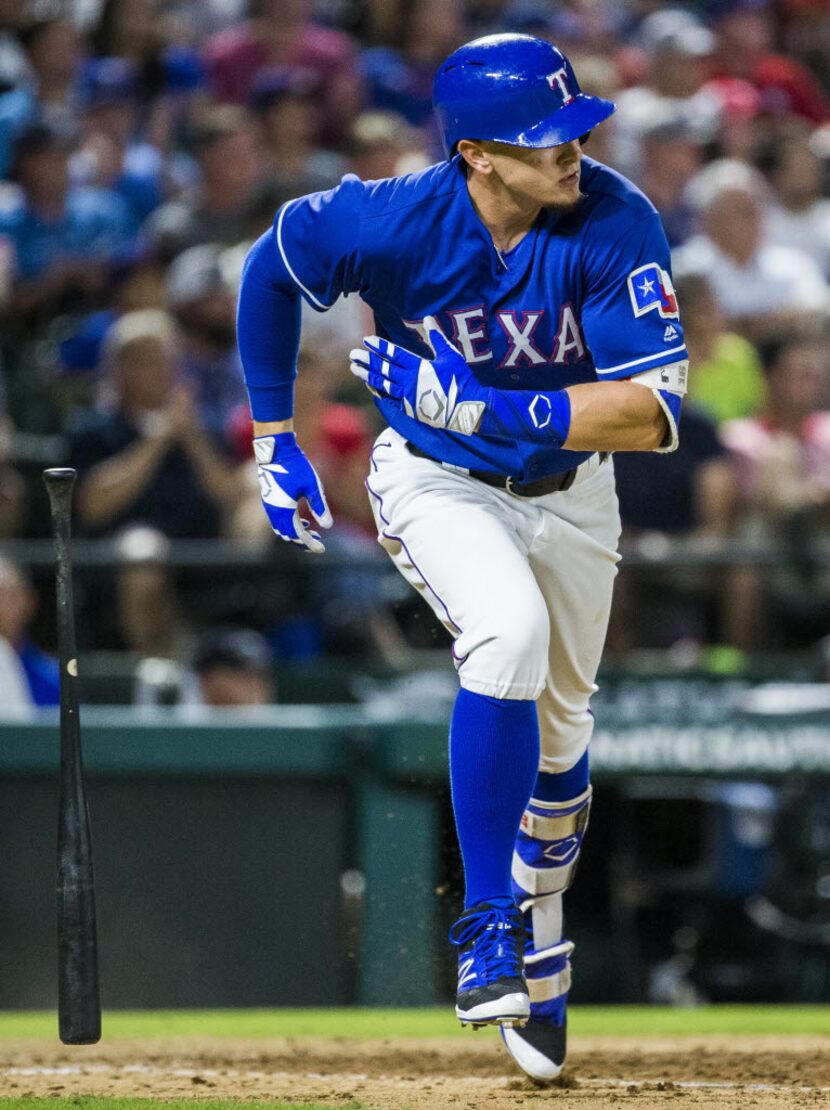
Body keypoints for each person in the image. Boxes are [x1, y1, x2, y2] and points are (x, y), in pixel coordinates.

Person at [236, 34, 687, 1082]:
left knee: (564, 751)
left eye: (575, 130)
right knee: (506, 636)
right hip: (436, 480)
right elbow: (273, 264)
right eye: (545, 140)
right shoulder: (393, 217)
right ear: (478, 152)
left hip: (572, 494)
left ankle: (536, 914)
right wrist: (272, 437)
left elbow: (652, 413)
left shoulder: (613, 217)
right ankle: (488, 923)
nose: (573, 152)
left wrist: (493, 402)